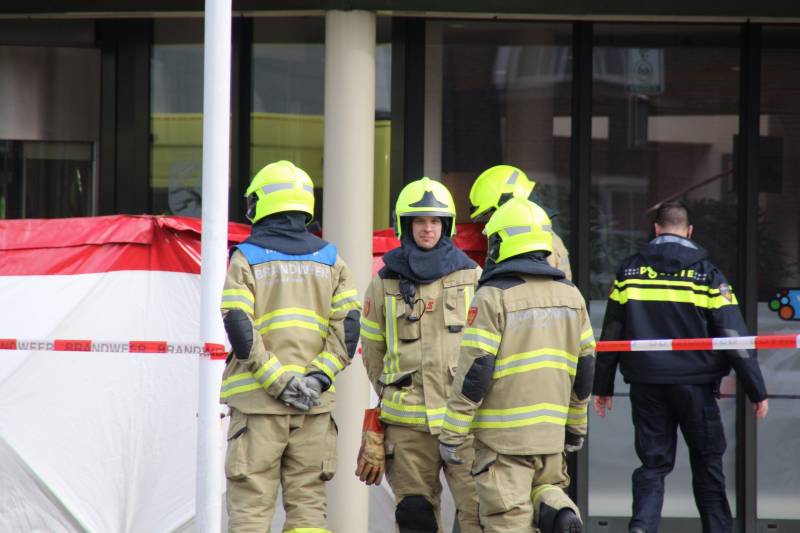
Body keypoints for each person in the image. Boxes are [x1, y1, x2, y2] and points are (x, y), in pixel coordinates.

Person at [592, 200, 769, 533]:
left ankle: (641, 528)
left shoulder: (629, 272)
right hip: (695, 388)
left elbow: (612, 331)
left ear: (656, 229)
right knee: (707, 463)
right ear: (688, 231)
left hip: (646, 385)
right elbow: (734, 335)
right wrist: (756, 389)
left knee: (652, 465)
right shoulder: (707, 275)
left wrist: (602, 386)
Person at [219, 160, 360, 533]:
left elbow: (239, 326)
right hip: (313, 408)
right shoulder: (332, 260)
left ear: (260, 203)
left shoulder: (246, 258)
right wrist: (317, 379)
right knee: (309, 510)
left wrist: (278, 382)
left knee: (251, 511)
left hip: (258, 407)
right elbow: (347, 329)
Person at [439, 197, 595, 533]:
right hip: (551, 435)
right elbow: (585, 369)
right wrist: (576, 426)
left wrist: (452, 433)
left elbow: (476, 371)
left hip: (503, 442)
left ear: (504, 242)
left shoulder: (493, 295)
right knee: (545, 487)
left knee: (507, 519)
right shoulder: (572, 295)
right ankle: (559, 510)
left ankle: (554, 510)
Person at [358, 177, 482, 533]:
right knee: (415, 518)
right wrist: (393, 393)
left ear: (447, 226)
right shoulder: (383, 283)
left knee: (482, 515)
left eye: (435, 221)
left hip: (465, 424)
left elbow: (489, 346)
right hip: (407, 428)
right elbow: (373, 353)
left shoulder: (472, 276)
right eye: (420, 221)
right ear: (405, 226)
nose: (428, 228)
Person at [469, 164, 572, 280]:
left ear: (507, 202)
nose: (490, 221)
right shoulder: (539, 236)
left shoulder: (538, 242)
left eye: (491, 213)